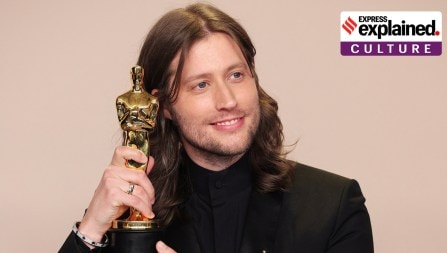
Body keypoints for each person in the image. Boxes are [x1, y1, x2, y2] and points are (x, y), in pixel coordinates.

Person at [60, 3, 374, 253]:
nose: (227, 100)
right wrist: (90, 229)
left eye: (236, 75)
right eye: (200, 85)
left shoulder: (333, 205)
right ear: (163, 106)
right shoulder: (131, 214)